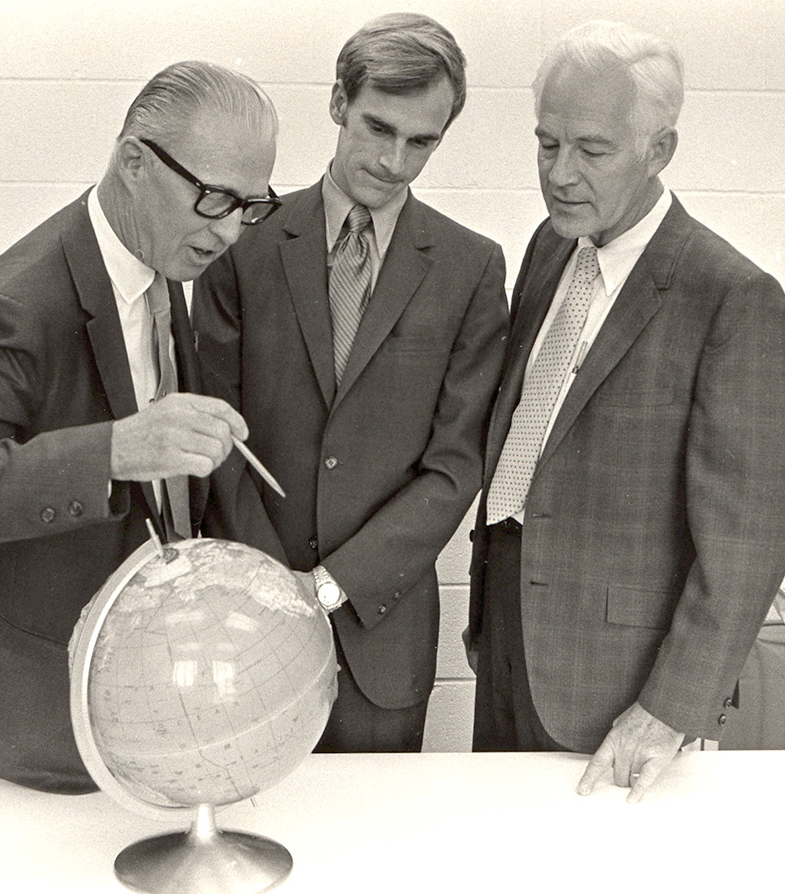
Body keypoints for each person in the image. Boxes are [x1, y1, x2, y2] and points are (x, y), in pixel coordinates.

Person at [0, 61, 281, 793]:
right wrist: (115, 448)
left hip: (141, 708)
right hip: (43, 719)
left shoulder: (159, 262)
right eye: (214, 198)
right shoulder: (23, 300)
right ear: (133, 163)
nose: (228, 233)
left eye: (249, 206)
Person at [466, 20, 785, 800]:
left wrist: (668, 707)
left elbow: (752, 539)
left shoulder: (732, 297)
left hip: (624, 688)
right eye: (547, 144)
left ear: (660, 151)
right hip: (511, 642)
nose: (560, 173)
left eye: (592, 149)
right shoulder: (551, 251)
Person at [193, 12, 508, 753]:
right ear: (338, 103)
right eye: (377, 127)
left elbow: (456, 463)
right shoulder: (244, 242)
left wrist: (331, 586)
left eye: (421, 141)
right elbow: (216, 433)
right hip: (247, 626)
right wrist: (276, 592)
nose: (395, 160)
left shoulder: (471, 268)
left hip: (381, 634)